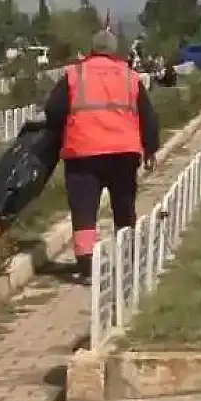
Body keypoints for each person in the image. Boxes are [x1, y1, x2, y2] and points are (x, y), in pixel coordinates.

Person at [43, 29, 160, 279]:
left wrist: (59, 132)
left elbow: (53, 109)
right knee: (123, 205)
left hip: (83, 152)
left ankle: (86, 266)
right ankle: (126, 255)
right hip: (123, 153)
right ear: (115, 51)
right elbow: (147, 115)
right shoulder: (130, 77)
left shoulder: (74, 75)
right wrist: (150, 148)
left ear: (92, 49)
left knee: (84, 208)